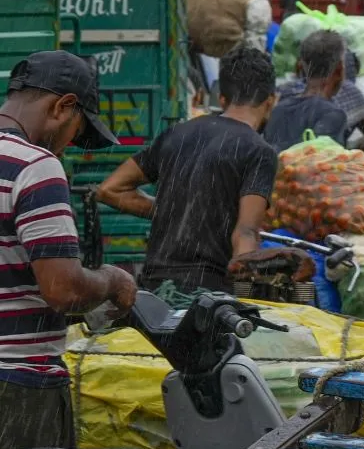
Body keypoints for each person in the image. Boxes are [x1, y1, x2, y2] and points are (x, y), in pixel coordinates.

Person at [0, 51, 136, 449]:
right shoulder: (34, 165)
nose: (67, 148)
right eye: (75, 132)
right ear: (63, 106)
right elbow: (63, 290)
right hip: (17, 389)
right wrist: (111, 280)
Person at [97, 47, 279, 298]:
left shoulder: (177, 134)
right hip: (208, 295)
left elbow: (109, 189)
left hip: (155, 291)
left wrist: (176, 211)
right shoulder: (259, 151)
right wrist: (246, 297)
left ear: (222, 98)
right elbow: (246, 232)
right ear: (271, 100)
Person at [278, 49, 364, 155]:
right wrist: (362, 153)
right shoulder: (349, 91)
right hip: (327, 164)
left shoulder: (283, 91)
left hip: (282, 163)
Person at [263, 30, 349, 152]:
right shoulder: (333, 115)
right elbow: (325, 165)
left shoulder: (279, 109)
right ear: (340, 69)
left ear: (300, 66)